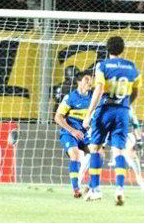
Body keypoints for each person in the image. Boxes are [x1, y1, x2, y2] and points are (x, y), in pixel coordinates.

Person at [82, 36, 142, 205]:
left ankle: (95, 190)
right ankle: (120, 189)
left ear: (108, 49)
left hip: (105, 110)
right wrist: (126, 104)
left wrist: (88, 114)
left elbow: (99, 90)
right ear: (123, 49)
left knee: (95, 148)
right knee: (119, 151)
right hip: (122, 111)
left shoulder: (102, 66)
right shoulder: (132, 67)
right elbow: (136, 91)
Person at [54, 70, 94, 198]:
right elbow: (58, 117)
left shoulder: (94, 96)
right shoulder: (70, 98)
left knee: (98, 154)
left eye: (91, 79)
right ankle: (76, 189)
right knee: (75, 155)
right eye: (86, 79)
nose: (90, 82)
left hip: (85, 133)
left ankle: (90, 186)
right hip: (69, 132)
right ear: (79, 82)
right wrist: (72, 130)